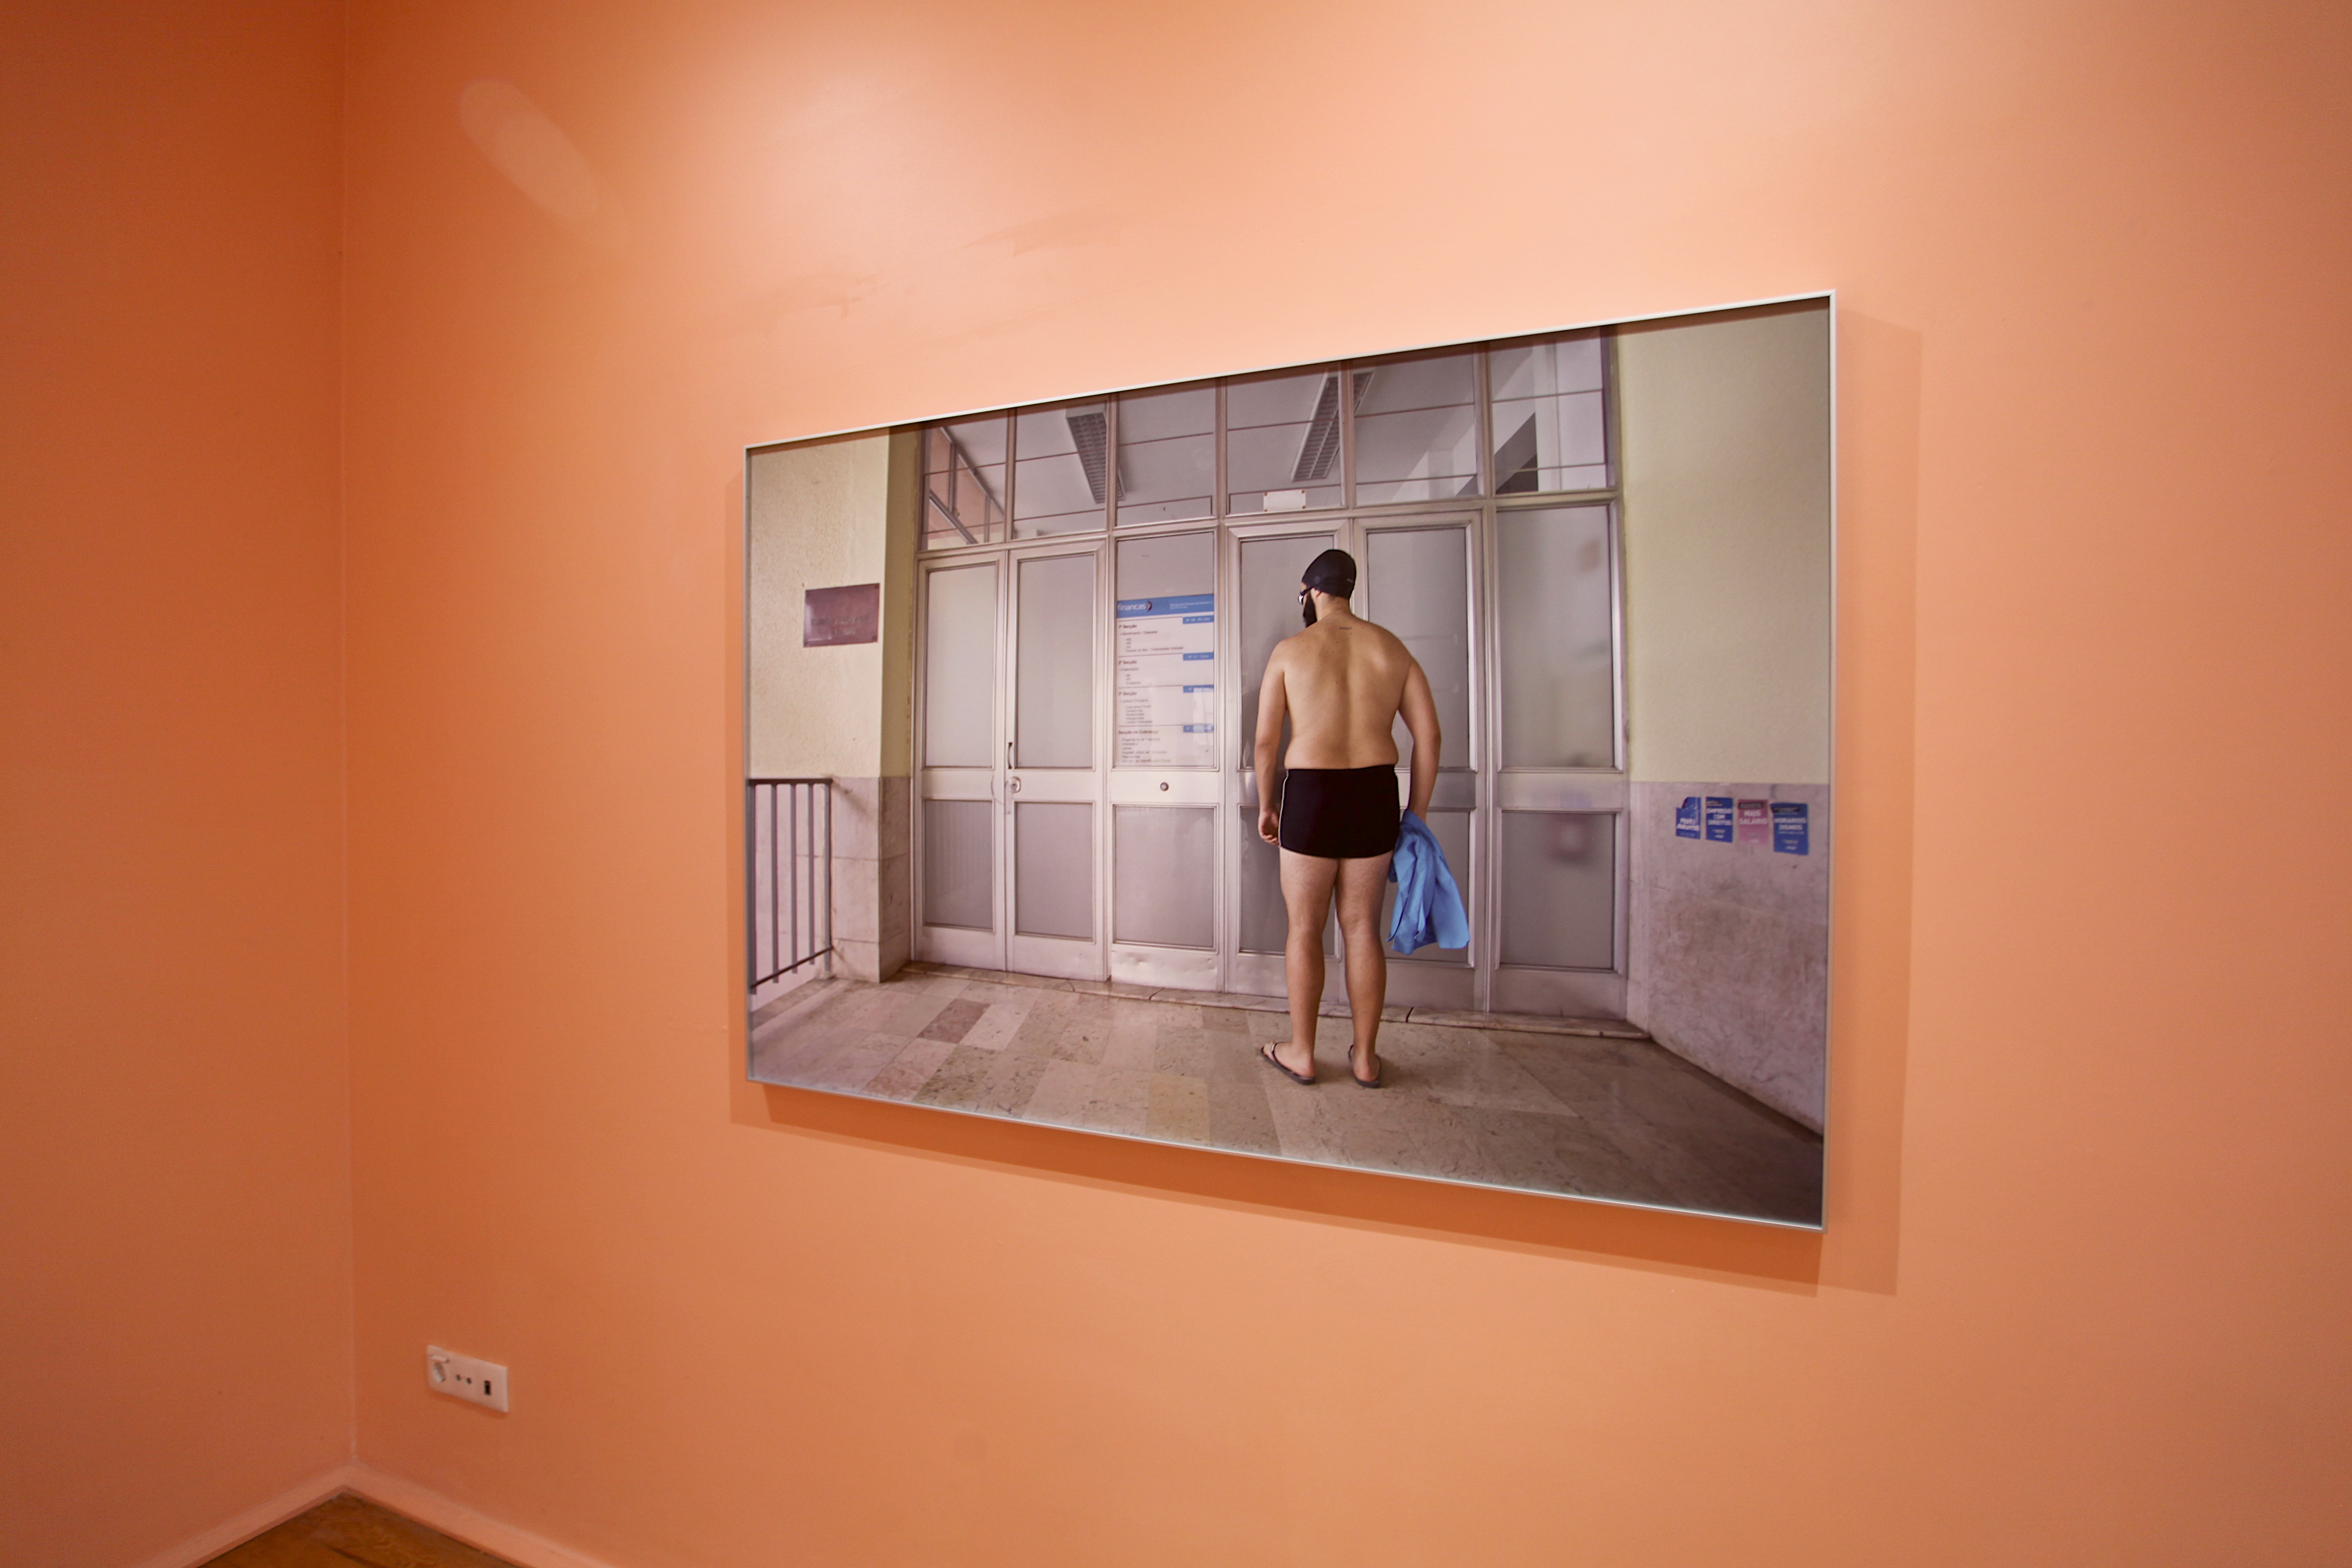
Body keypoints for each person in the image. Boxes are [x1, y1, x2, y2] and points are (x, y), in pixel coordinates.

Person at [1253, 548, 1440, 1089]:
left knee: (1304, 928)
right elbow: (1429, 736)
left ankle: (1302, 1052)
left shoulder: (1290, 651)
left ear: (1312, 592)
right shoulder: (1391, 648)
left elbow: (1266, 741)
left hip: (1311, 794)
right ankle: (1365, 1058)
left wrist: (1268, 804)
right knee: (1361, 929)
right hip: (1373, 794)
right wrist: (1415, 815)